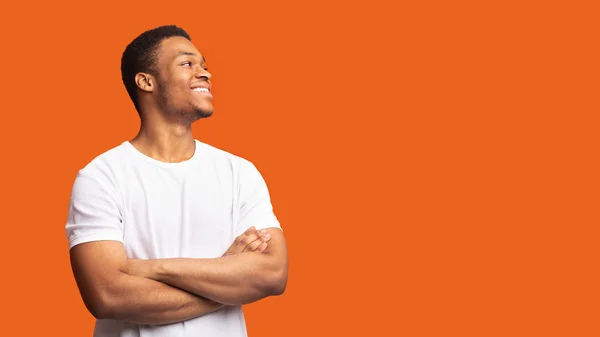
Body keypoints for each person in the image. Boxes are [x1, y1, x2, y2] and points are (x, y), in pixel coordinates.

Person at [65, 25, 288, 337]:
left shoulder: (239, 172)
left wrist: (149, 268)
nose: (205, 73)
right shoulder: (101, 177)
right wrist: (227, 280)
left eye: (205, 65)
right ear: (146, 81)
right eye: (187, 64)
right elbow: (107, 295)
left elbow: (273, 274)